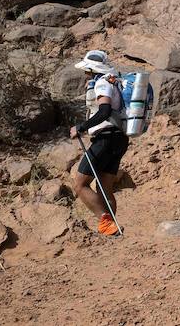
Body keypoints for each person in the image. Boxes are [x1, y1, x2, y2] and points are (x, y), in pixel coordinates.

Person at [70, 49, 128, 236]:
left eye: (87, 70)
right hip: (119, 139)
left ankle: (106, 223)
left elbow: (104, 111)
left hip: (105, 139)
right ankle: (113, 229)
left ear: (92, 70)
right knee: (104, 187)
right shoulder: (115, 80)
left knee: (80, 184)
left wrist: (81, 127)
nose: (86, 74)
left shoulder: (103, 82)